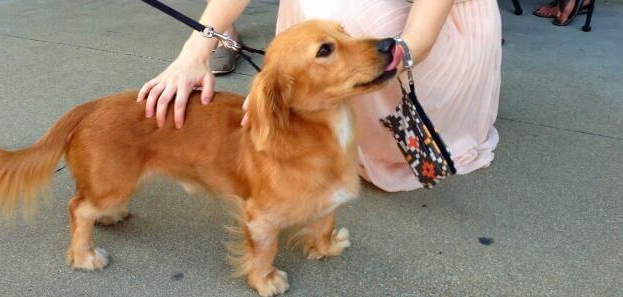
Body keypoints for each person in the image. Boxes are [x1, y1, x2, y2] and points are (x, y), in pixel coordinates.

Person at [138, 0, 502, 192]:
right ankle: (325, 110)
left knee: (330, 8)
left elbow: (415, 43)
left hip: (442, 31)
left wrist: (385, 60)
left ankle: (385, 134)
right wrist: (193, 51)